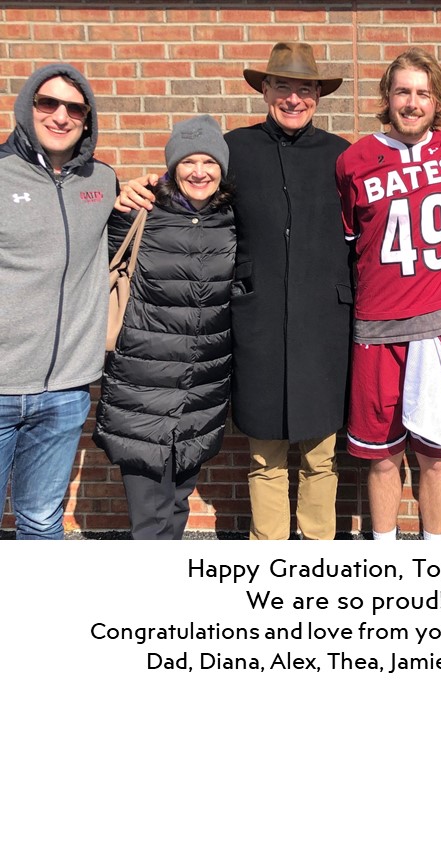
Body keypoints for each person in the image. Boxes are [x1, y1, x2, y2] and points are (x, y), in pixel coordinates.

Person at [117, 42, 353, 541]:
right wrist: (140, 189)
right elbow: (187, 186)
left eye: (305, 88)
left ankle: (320, 559)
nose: (294, 98)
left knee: (320, 458)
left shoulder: (340, 155)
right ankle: (267, 557)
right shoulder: (235, 149)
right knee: (265, 455)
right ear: (265, 90)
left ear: (318, 95)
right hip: (257, 323)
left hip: (323, 326)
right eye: (283, 86)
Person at [335, 47, 441, 541]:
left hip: (440, 324)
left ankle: (434, 562)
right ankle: (386, 557)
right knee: (381, 457)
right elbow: (349, 243)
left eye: (423, 93)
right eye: (403, 92)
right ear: (387, 97)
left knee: (436, 456)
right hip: (376, 325)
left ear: (437, 101)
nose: (412, 103)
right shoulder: (354, 159)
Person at [93, 116, 236, 540]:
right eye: (188, 161)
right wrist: (121, 199)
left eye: (209, 162)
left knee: (176, 504)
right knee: (150, 513)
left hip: (201, 389)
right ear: (171, 167)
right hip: (144, 386)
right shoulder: (140, 210)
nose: (198, 171)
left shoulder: (228, 216)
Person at [0, 64, 117, 540]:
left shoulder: (104, 181)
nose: (61, 116)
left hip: (66, 390)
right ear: (28, 108)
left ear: (86, 119)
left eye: (74, 107)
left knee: (42, 519)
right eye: (48, 103)